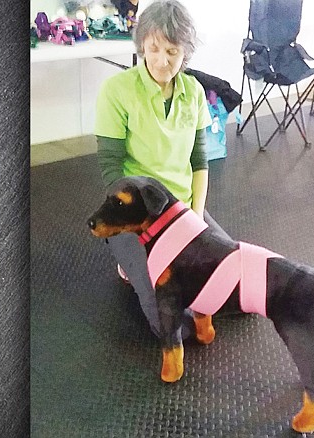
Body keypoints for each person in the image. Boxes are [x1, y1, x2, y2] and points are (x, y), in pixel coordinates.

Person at [94, 0, 232, 340]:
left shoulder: (195, 92)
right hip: (136, 215)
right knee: (175, 327)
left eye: (172, 51)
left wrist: (195, 219)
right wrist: (139, 227)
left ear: (185, 53)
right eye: (153, 49)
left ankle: (163, 258)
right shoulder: (117, 91)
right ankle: (128, 260)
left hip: (180, 209)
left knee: (231, 285)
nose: (161, 61)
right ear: (142, 44)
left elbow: (200, 161)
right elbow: (111, 168)